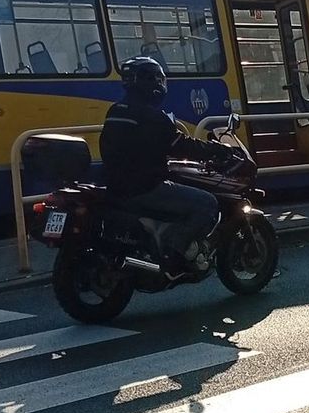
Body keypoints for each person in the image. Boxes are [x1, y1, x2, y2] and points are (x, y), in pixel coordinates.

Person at [100, 56, 237, 281]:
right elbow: (182, 145)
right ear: (152, 84)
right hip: (145, 188)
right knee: (207, 203)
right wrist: (216, 150)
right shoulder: (152, 116)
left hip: (117, 187)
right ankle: (175, 253)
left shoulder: (115, 111)